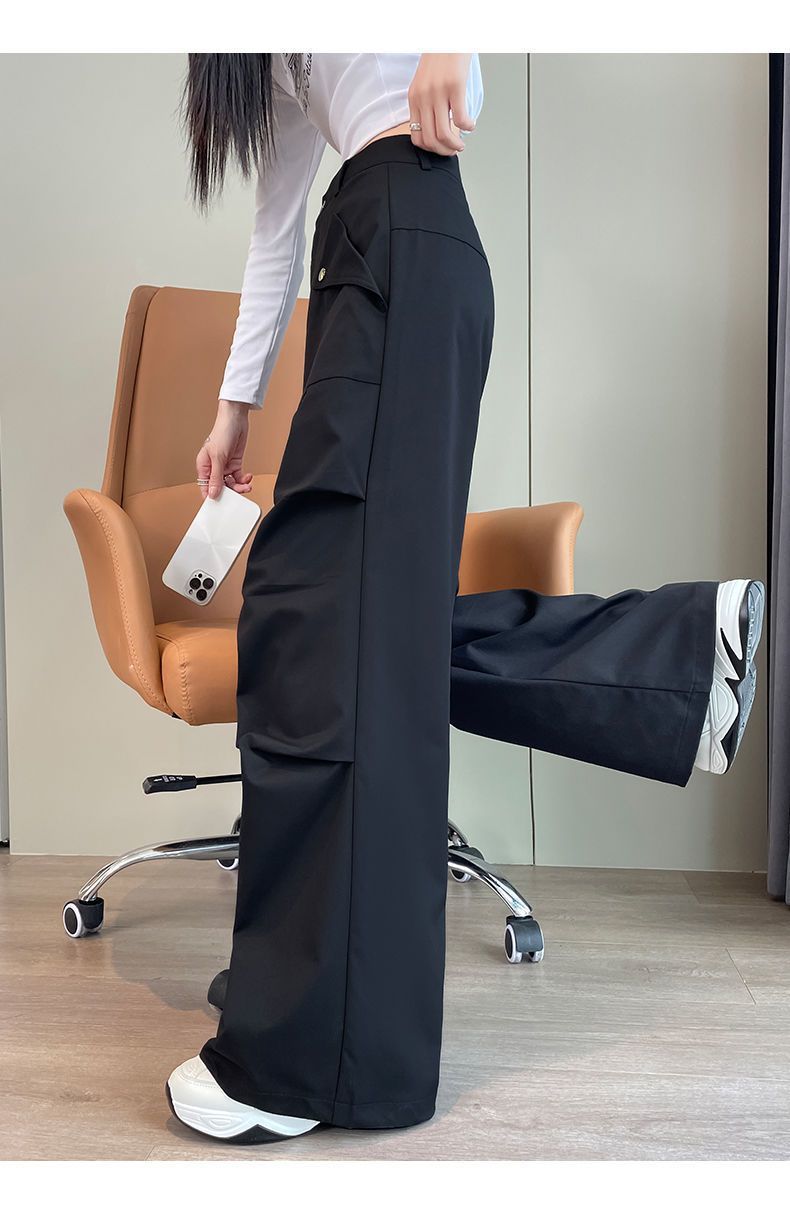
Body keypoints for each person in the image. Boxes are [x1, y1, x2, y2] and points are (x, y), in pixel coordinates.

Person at [165, 52, 765, 1144]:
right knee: (347, 632)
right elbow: (274, 226)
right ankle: (677, 660)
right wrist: (233, 405)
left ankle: (298, 1061)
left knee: (329, 631)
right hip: (368, 252)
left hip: (403, 227)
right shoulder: (275, 63)